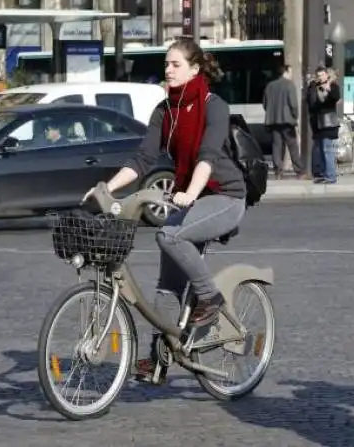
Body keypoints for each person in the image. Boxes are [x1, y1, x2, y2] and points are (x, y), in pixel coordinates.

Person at [82, 38, 247, 379]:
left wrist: (189, 194)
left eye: (175, 64)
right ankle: (160, 358)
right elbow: (143, 159)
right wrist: (106, 188)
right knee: (167, 284)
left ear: (195, 69)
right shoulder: (164, 110)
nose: (168, 70)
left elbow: (208, 156)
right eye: (166, 64)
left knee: (169, 236)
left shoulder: (214, 105)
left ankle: (210, 298)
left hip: (225, 196)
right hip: (192, 197)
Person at [263, 64, 305, 179]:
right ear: (285, 72)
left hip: (274, 121)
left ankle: (278, 171)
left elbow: (265, 104)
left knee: (277, 146)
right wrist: (295, 116)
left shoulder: (270, 85)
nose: (291, 74)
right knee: (293, 146)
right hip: (287, 121)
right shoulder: (289, 85)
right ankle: (299, 171)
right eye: (290, 71)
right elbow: (293, 104)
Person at [306, 66, 341, 184]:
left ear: (327, 75)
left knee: (327, 150)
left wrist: (328, 89)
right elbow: (310, 102)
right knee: (320, 150)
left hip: (328, 123)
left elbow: (335, 97)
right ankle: (323, 173)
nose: (320, 78)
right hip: (317, 124)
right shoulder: (314, 87)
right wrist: (311, 87)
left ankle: (330, 176)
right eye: (318, 75)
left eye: (322, 75)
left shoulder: (333, 86)